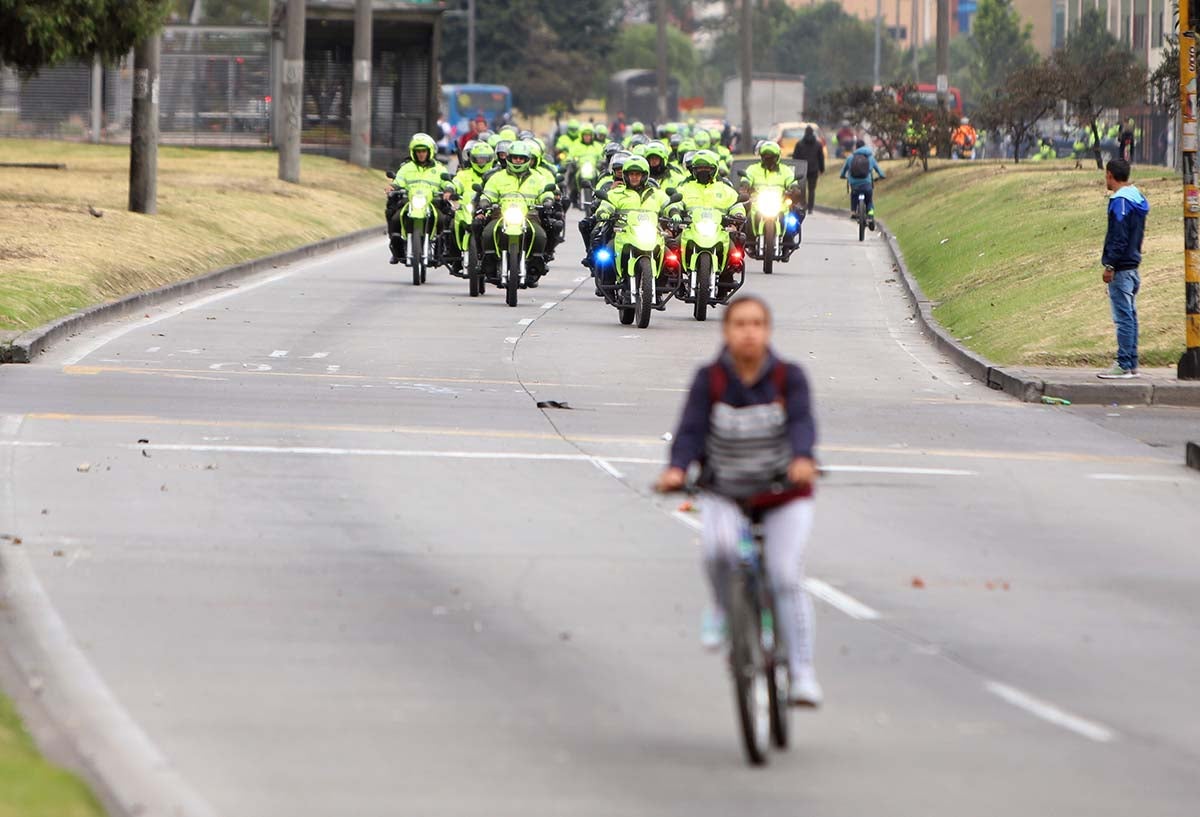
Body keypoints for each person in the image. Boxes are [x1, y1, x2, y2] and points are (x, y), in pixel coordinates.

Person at [656, 295, 822, 707]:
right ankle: (720, 608)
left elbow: (802, 423)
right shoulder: (710, 379)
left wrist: (802, 459)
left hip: (783, 493)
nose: (749, 332)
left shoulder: (789, 377)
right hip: (725, 490)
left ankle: (801, 673)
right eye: (740, 324)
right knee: (719, 551)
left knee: (784, 576)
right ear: (726, 331)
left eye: (757, 324)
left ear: (768, 331)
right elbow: (691, 431)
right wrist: (677, 468)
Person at [590, 155, 677, 294]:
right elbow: (606, 205)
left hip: (651, 234)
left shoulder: (656, 194)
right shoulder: (616, 193)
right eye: (631, 174)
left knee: (669, 257)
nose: (634, 177)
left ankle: (659, 289)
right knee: (607, 253)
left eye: (638, 174)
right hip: (623, 235)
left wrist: (674, 213)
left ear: (644, 176)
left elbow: (669, 205)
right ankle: (607, 286)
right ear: (626, 176)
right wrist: (603, 213)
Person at [474, 140, 555, 286]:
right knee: (487, 233)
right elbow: (488, 194)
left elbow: (545, 192)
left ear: (527, 160)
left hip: (530, 215)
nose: (518, 161)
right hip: (500, 215)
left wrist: (548, 200)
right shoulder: (497, 177)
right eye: (515, 158)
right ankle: (489, 263)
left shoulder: (537, 178)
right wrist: (485, 201)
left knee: (540, 235)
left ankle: (534, 265)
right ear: (509, 158)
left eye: (521, 158)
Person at [1098, 158, 1149, 379]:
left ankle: (1124, 363)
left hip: (1121, 268)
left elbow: (1118, 237)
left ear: (1110, 175)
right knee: (1131, 315)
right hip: (1133, 265)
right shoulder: (1136, 198)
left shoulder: (1119, 202)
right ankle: (1132, 361)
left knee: (1123, 317)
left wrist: (1110, 265)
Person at [387, 132, 450, 265]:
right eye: (418, 151)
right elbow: (398, 181)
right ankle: (397, 251)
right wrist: (392, 187)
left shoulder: (439, 168)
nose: (421, 154)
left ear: (429, 152)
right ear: (413, 152)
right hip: (410, 201)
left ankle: (441, 249)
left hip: (432, 201)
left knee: (443, 220)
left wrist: (448, 190)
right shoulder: (406, 168)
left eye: (424, 151)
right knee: (395, 219)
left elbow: (447, 182)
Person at [741, 141, 804, 253]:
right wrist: (745, 187)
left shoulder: (785, 170)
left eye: (772, 157)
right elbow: (747, 178)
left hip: (780, 203)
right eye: (765, 157)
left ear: (778, 157)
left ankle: (787, 242)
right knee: (746, 216)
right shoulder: (753, 169)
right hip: (758, 202)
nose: (768, 160)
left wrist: (794, 188)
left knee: (794, 216)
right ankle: (749, 242)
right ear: (761, 157)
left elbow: (791, 180)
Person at [839, 139, 884, 226]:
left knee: (854, 195)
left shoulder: (850, 158)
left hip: (855, 185)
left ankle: (853, 212)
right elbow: (880, 172)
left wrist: (843, 176)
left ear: (856, 147)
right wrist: (881, 176)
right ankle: (870, 215)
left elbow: (842, 173)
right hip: (867, 184)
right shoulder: (870, 158)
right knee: (869, 200)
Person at [791, 126, 825, 214]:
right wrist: (821, 169)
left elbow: (795, 157)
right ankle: (810, 208)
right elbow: (821, 157)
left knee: (802, 189)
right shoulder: (818, 144)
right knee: (812, 190)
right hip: (813, 169)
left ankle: (802, 205)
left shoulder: (799, 144)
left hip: (802, 169)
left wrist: (795, 169)